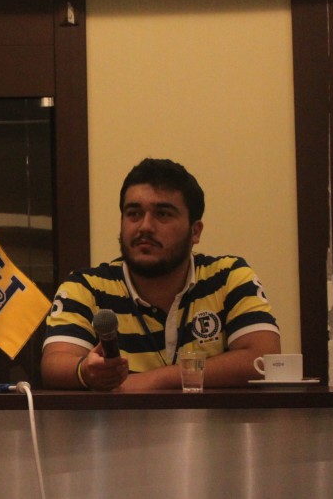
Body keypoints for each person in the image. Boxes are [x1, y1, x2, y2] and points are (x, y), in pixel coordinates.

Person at [41, 158, 280, 391]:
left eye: (163, 214)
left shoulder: (228, 277)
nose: (145, 226)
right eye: (134, 213)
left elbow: (264, 359)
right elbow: (54, 364)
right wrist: (85, 371)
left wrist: (156, 380)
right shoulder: (86, 287)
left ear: (195, 231)